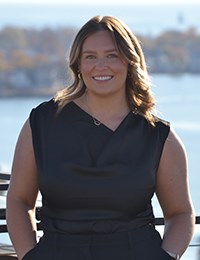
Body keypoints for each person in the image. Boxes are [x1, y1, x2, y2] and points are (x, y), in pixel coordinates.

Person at [6, 15, 195, 260]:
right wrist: (29, 256)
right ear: (78, 65)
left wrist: (166, 257)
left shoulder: (158, 136)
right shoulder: (41, 123)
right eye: (90, 57)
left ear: (129, 62)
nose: (101, 65)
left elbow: (180, 214)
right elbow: (19, 201)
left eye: (112, 55)